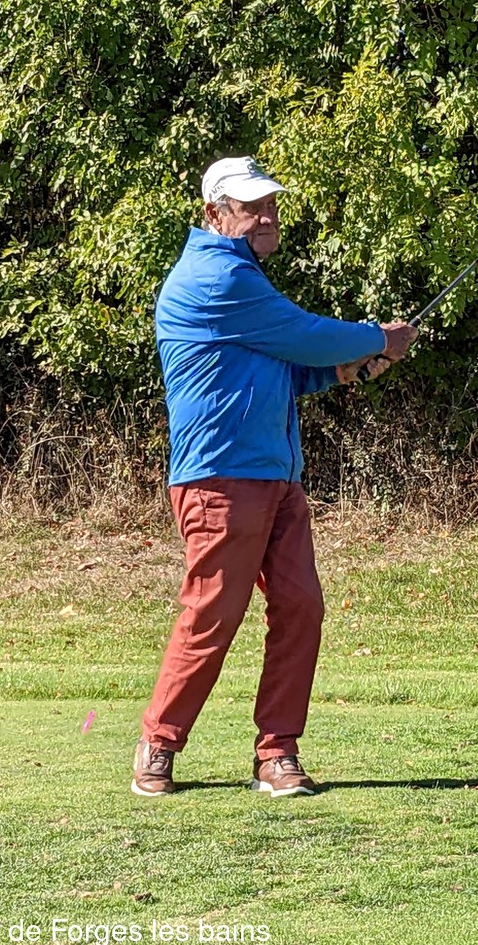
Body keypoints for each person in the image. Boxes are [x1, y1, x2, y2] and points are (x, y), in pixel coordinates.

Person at [133, 155, 418, 798]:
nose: (265, 217)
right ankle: (158, 743)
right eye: (249, 207)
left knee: (300, 605)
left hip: (277, 478)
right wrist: (376, 337)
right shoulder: (217, 276)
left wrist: (346, 368)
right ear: (214, 214)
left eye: (270, 205)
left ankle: (277, 753)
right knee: (213, 614)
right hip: (220, 479)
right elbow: (304, 334)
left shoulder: (244, 281)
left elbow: (288, 368)